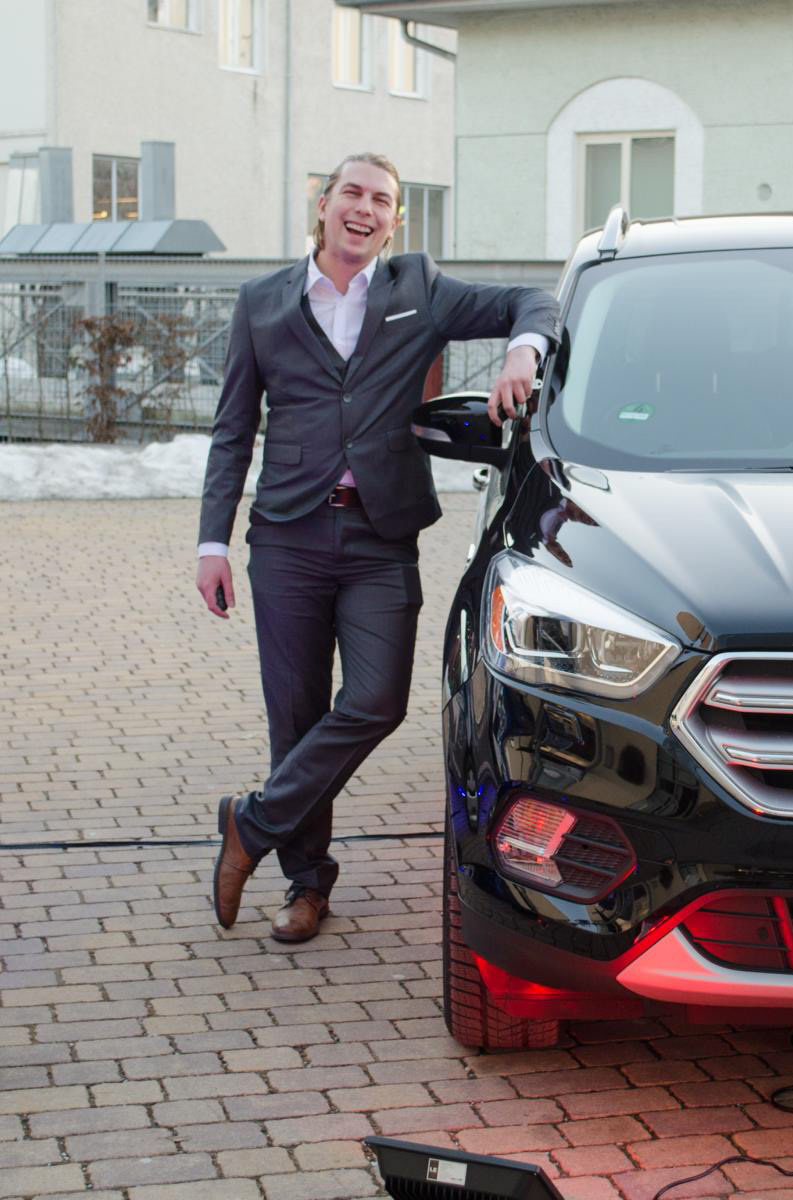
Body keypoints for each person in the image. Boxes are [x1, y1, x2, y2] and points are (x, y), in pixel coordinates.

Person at [198, 152, 558, 941]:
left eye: (382, 200)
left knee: (376, 701)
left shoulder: (417, 289)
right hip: (287, 537)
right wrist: (210, 544)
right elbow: (232, 431)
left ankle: (250, 824)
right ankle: (306, 886)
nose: (365, 209)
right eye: (352, 194)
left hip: (379, 535)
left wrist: (522, 351)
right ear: (323, 205)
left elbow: (534, 299)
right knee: (295, 719)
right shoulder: (262, 302)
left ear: (394, 222)